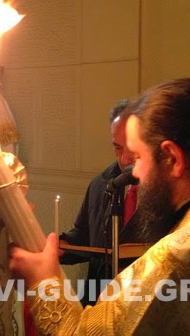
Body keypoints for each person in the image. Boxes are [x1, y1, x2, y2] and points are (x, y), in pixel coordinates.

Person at [9, 78, 190, 334]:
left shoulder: (176, 259)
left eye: (140, 156)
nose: (136, 173)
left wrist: (42, 281)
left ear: (172, 158)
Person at [59, 99, 141, 305]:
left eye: (132, 147)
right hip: (99, 299)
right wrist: (61, 247)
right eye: (118, 148)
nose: (124, 159)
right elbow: (85, 236)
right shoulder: (102, 183)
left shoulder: (169, 192)